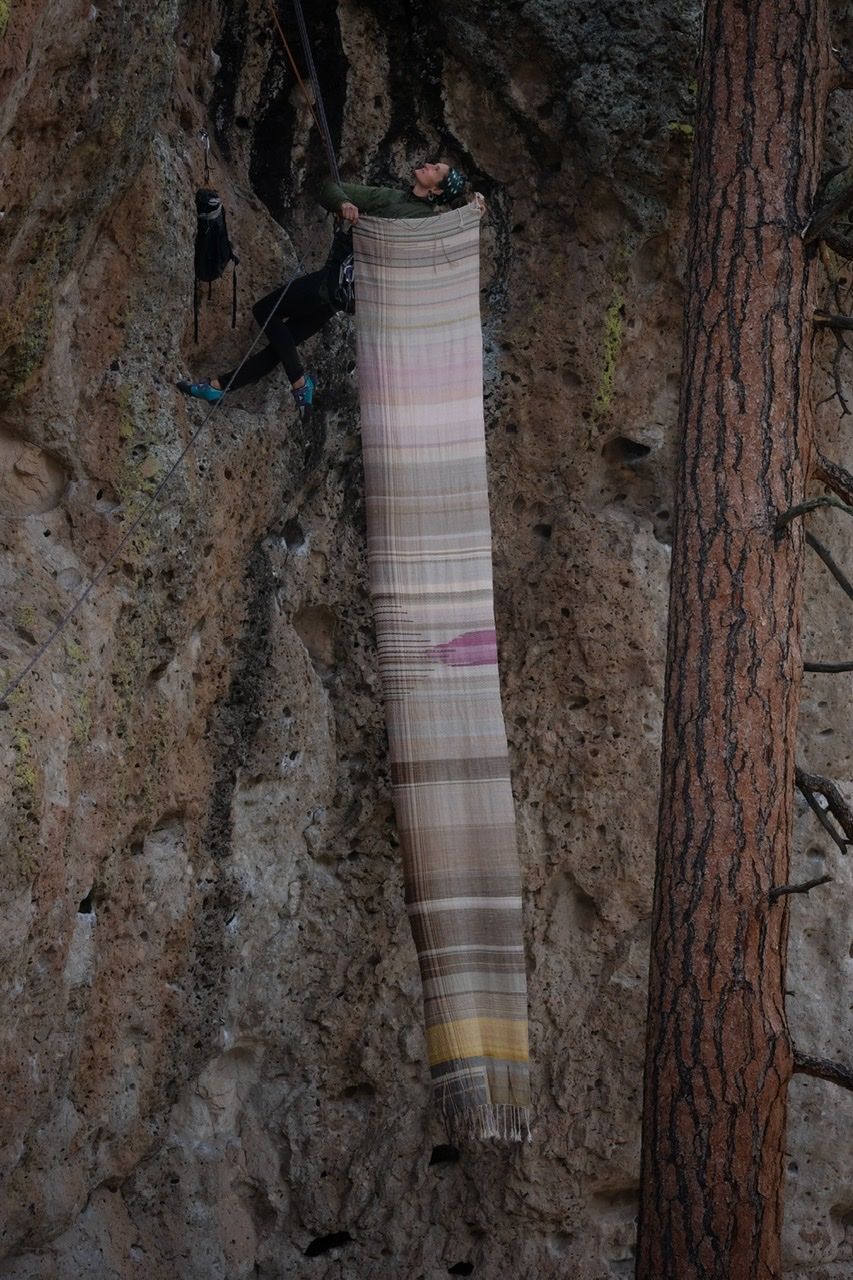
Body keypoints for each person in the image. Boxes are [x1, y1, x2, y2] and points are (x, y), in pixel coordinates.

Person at [177, 162, 467, 410]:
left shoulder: (428, 223)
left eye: (436, 169)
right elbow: (330, 188)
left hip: (334, 283)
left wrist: (474, 211)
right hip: (341, 296)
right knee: (280, 346)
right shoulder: (388, 197)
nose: (428, 165)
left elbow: (450, 237)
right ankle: (218, 387)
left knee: (265, 309)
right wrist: (344, 204)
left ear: (436, 190)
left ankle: (300, 381)